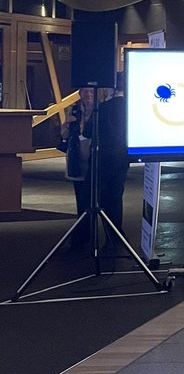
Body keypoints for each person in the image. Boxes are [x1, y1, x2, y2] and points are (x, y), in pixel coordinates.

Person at [60, 83, 130, 250]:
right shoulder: (75, 110)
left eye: (91, 92)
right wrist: (67, 127)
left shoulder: (104, 108)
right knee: (89, 201)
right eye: (85, 91)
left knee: (100, 200)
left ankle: (107, 239)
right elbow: (65, 136)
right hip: (81, 161)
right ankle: (91, 239)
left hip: (100, 162)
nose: (88, 95)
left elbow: (89, 132)